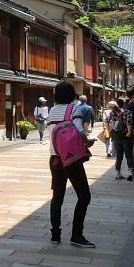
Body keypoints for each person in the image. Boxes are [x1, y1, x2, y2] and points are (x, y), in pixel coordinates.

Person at [47, 81, 95, 248]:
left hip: (55, 159)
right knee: (84, 196)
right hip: (71, 160)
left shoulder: (52, 110)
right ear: (72, 94)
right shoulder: (74, 109)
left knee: (57, 197)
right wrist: (87, 142)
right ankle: (76, 234)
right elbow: (79, 129)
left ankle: (55, 234)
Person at [105, 99, 131, 177]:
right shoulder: (127, 112)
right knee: (128, 154)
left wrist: (109, 131)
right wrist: (129, 132)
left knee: (119, 155)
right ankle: (130, 172)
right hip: (125, 135)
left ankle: (118, 173)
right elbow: (129, 122)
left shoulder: (112, 112)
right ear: (124, 104)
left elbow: (106, 121)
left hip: (116, 135)